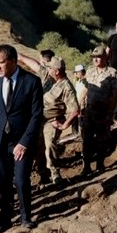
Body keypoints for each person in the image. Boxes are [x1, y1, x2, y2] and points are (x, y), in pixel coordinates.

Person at [0, 44, 44, 233]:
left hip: (22, 141)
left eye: (0, 62)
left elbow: (36, 115)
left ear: (12, 61)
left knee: (20, 180)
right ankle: (4, 220)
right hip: (0, 142)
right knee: (2, 182)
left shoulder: (31, 82)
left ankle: (26, 217)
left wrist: (24, 143)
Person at [80, 47, 117, 176]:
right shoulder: (90, 71)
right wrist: (80, 104)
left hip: (103, 112)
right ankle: (86, 166)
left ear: (105, 58)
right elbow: (85, 89)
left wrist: (111, 113)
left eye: (98, 57)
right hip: (89, 111)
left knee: (102, 139)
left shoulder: (112, 73)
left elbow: (115, 95)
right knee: (86, 139)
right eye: (94, 57)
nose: (95, 59)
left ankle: (100, 164)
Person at [41, 56, 81, 186]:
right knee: (37, 147)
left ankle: (55, 175)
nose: (49, 70)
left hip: (52, 121)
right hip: (40, 120)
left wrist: (64, 126)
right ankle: (43, 175)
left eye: (51, 68)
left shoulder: (66, 87)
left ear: (57, 71)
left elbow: (75, 109)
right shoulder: (52, 82)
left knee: (50, 146)